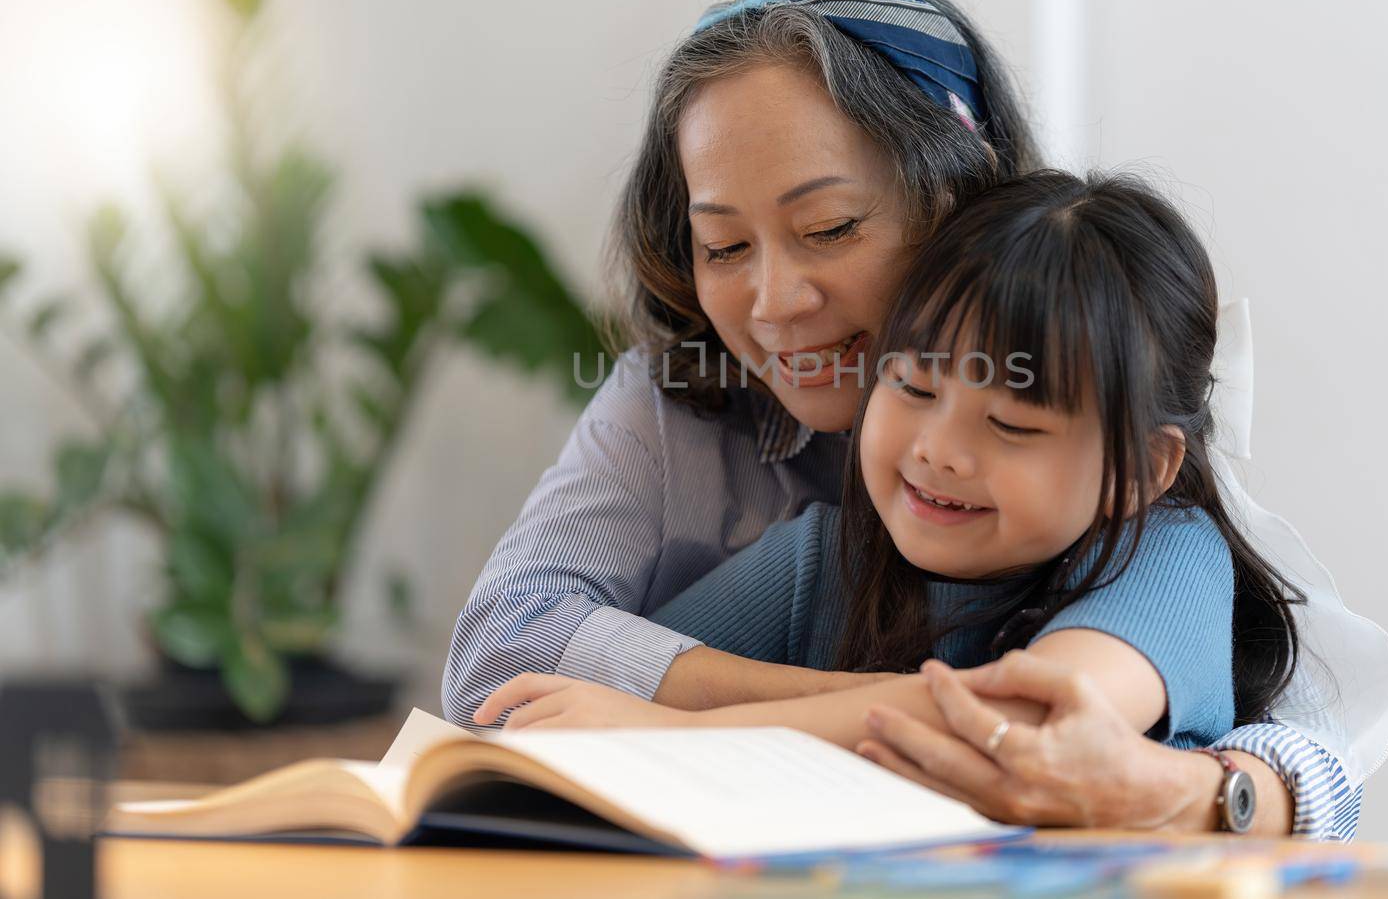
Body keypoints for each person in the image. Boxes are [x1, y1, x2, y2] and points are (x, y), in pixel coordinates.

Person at [443, 0, 1388, 839]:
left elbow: (1293, 743)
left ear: (955, 202)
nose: (773, 304)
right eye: (725, 246)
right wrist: (854, 705)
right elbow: (506, 663)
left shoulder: (1154, 520)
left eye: (830, 226)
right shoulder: (819, 544)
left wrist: (674, 731)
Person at [474, 171, 1301, 779]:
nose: (938, 449)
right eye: (910, 385)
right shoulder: (820, 560)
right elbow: (583, 692)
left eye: (1011, 423)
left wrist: (677, 732)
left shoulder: (1163, 557)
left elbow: (1030, 716)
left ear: (1141, 468)